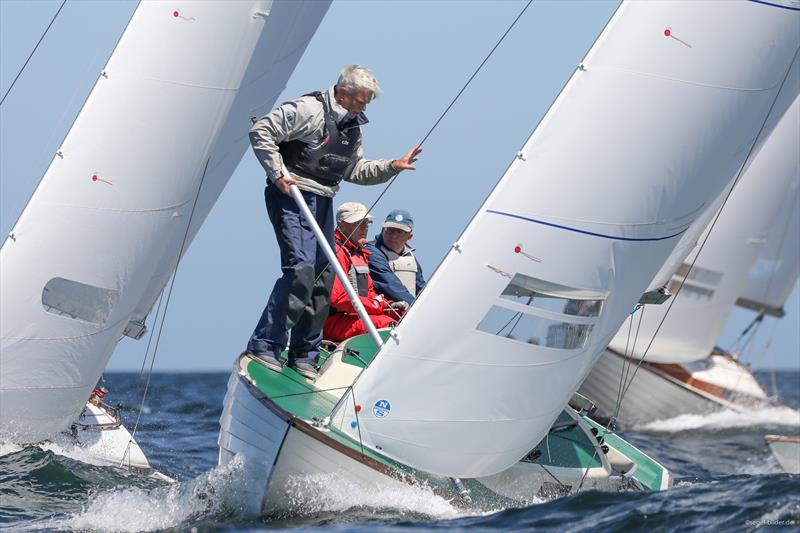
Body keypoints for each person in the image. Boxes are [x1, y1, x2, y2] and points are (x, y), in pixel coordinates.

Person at [245, 65, 422, 380]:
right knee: (301, 268)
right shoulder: (308, 109)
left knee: (324, 276)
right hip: (292, 193)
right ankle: (266, 343)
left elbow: (354, 170)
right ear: (343, 93)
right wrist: (277, 172)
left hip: (324, 198)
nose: (364, 108)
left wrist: (392, 166)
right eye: (361, 101)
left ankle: (304, 354)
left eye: (367, 103)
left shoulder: (353, 127)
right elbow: (262, 132)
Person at [323, 203, 407, 342]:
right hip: (331, 322)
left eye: (367, 223)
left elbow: (368, 292)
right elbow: (338, 298)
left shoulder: (359, 252)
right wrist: (377, 306)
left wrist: (388, 306)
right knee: (387, 325)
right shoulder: (334, 251)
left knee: (401, 318)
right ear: (340, 224)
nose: (365, 228)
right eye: (358, 223)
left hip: (353, 316)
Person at [365, 209, 425, 306]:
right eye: (390, 230)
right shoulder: (372, 251)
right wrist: (417, 308)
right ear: (382, 229)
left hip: (409, 313)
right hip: (386, 314)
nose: (393, 236)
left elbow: (421, 287)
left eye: (399, 232)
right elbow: (390, 285)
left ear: (409, 237)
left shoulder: (410, 256)